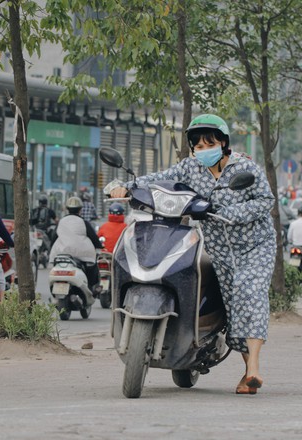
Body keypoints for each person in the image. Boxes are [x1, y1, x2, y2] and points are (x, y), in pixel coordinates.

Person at [107, 113, 275, 395]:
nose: (203, 150)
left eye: (209, 144)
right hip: (220, 249)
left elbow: (266, 200)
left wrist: (226, 211)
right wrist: (122, 187)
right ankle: (245, 372)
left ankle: (254, 368)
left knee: (251, 293)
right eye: (198, 146)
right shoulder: (189, 168)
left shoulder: (245, 167)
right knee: (234, 306)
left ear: (223, 143)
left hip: (254, 245)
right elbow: (156, 180)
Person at [50, 196, 104, 290]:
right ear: (80, 209)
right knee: (92, 267)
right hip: (82, 254)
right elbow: (94, 238)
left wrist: (51, 248)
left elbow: (54, 237)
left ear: (67, 209)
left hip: (61, 253)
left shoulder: (61, 222)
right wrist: (99, 246)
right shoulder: (83, 222)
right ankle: (91, 288)